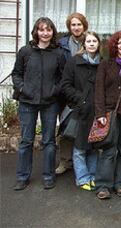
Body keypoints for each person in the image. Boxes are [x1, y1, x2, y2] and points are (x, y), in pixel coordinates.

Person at [12, 17, 66, 190]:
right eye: (42, 30)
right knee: (26, 141)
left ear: (53, 32)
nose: (45, 33)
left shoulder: (58, 53)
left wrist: (54, 90)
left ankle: (48, 175)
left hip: (50, 103)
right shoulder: (25, 51)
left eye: (48, 30)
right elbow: (16, 74)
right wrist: (22, 88)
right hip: (27, 101)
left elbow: (63, 77)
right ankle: (22, 176)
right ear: (36, 31)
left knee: (49, 141)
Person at [94, 31, 121, 199]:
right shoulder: (105, 64)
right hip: (109, 112)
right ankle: (103, 185)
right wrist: (100, 113)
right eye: (120, 43)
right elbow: (98, 90)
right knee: (108, 148)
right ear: (114, 45)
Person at [60, 31, 101, 191]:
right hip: (79, 110)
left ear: (98, 44)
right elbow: (65, 85)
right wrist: (80, 100)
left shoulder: (102, 63)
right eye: (88, 41)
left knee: (93, 145)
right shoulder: (73, 62)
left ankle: (93, 176)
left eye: (94, 41)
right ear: (84, 44)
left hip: (96, 111)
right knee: (79, 146)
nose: (91, 44)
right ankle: (82, 177)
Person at [56, 12, 89, 175]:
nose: (76, 27)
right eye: (73, 25)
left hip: (85, 92)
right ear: (69, 27)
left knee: (83, 127)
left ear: (84, 26)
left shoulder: (91, 41)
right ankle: (65, 161)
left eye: (79, 24)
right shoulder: (62, 44)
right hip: (66, 93)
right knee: (66, 128)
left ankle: (81, 161)